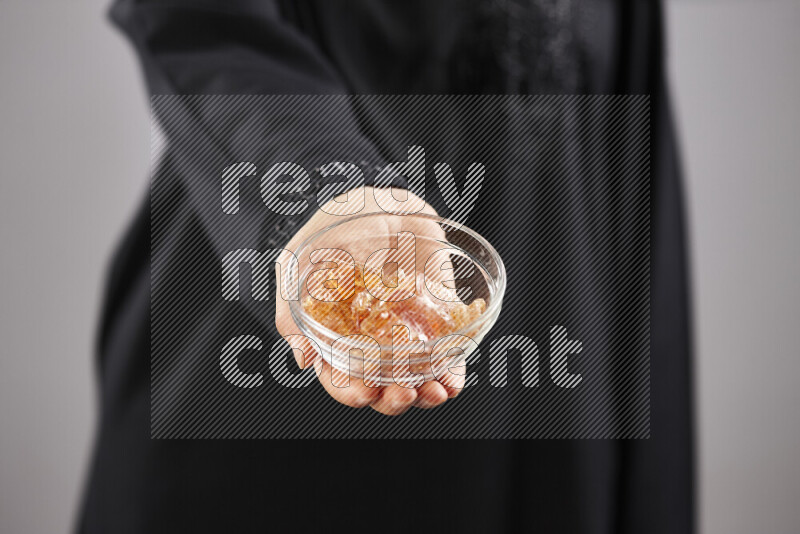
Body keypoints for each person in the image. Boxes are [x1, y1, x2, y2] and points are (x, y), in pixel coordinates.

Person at [77, 1, 694, 532]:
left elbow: (625, 145)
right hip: (259, 394)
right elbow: (205, 20)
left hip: (554, 390)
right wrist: (324, 199)